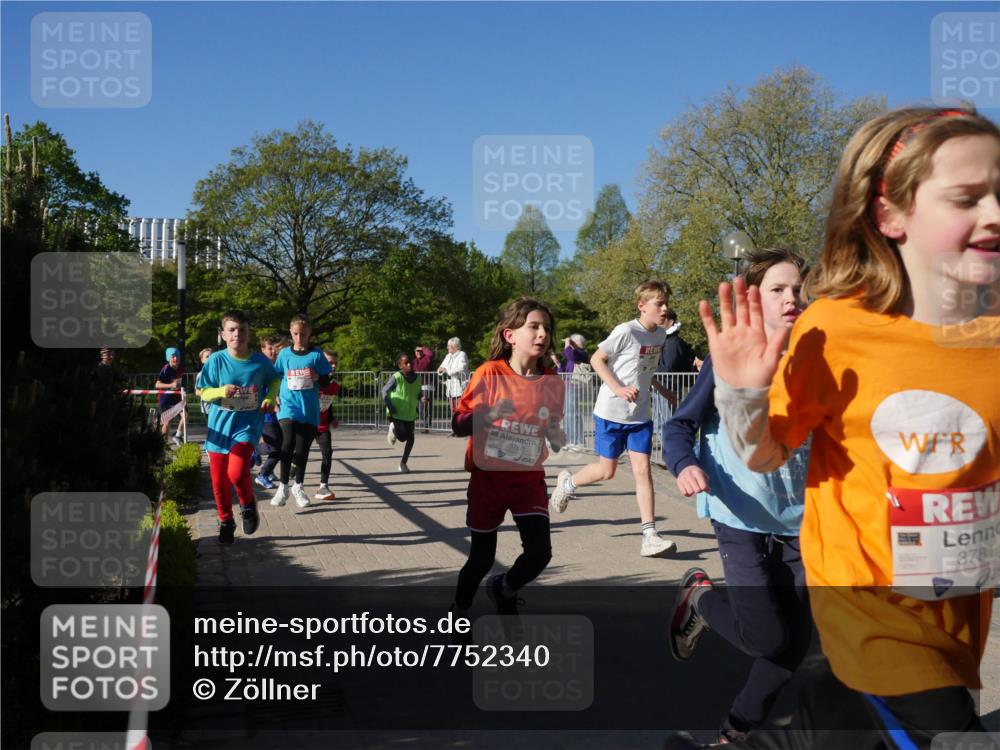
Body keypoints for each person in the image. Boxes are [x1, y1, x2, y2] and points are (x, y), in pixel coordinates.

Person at [682, 107, 999, 749]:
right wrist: (742, 391)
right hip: (868, 608)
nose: (994, 213)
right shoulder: (837, 328)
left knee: (830, 713)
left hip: (956, 610)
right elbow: (762, 451)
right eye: (967, 198)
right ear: (890, 217)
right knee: (934, 726)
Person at [662, 248, 813, 744]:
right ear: (753, 299)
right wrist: (684, 464)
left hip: (800, 521)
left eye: (797, 289)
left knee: (792, 648)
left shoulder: (819, 351)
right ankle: (701, 597)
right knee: (766, 638)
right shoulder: (731, 355)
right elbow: (680, 425)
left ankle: (735, 732)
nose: (791, 298)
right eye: (778, 290)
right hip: (738, 513)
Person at [451, 298, 565, 616]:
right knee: (481, 559)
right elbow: (457, 424)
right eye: (534, 326)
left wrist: (556, 436)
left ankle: (504, 588)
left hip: (528, 480)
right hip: (488, 480)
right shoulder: (489, 374)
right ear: (509, 335)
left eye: (547, 328)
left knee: (540, 554)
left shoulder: (553, 381)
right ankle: (459, 610)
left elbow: (553, 428)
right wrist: (485, 415)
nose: (543, 333)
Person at [548, 280, 679, 558]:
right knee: (607, 471)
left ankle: (650, 535)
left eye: (666, 302)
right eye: (659, 303)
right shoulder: (625, 331)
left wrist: (663, 390)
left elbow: (643, 370)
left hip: (639, 415)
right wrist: (618, 389)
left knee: (642, 471)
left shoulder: (659, 336)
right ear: (642, 306)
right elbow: (597, 359)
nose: (665, 308)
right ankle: (568, 483)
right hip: (610, 412)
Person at [196, 310, 280, 544]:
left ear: (248, 334)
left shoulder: (259, 362)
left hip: (246, 427)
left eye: (242, 330)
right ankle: (225, 520)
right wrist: (222, 391)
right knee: (218, 481)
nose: (237, 335)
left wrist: (270, 398)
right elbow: (203, 391)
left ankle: (247, 504)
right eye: (232, 330)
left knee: (235, 472)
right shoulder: (216, 361)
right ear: (223, 334)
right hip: (219, 429)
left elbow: (274, 380)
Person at [269, 314, 332, 509]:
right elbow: (276, 376)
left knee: (302, 450)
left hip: (309, 410)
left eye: (303, 335)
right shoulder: (285, 355)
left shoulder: (316, 355)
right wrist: (275, 395)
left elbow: (326, 380)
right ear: (291, 333)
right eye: (296, 334)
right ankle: (283, 487)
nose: (299, 338)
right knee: (287, 444)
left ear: (309, 334)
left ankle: (298, 486)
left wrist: (317, 377)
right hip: (288, 406)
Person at [383, 351, 421, 472]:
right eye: (406, 363)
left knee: (411, 438)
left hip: (410, 412)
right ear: (400, 365)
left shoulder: (418, 377)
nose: (409, 364)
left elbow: (417, 392)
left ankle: (403, 464)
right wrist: (389, 405)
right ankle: (393, 427)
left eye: (410, 362)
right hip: (397, 411)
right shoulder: (397, 377)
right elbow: (384, 391)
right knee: (403, 437)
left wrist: (422, 397)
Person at [254, 335, 283, 490]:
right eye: (269, 349)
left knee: (281, 445)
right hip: (266, 415)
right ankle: (262, 475)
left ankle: (268, 470)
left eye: (275, 349)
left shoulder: (277, 367)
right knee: (278, 448)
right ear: (262, 350)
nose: (273, 352)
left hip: (279, 415)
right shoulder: (260, 369)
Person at [314, 351, 341, 501]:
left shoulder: (334, 385)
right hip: (307, 424)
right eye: (330, 362)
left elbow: (328, 404)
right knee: (299, 455)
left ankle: (323, 485)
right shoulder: (311, 381)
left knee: (327, 453)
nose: (333, 365)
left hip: (323, 426)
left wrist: (332, 418)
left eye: (335, 363)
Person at [557, 334, 591, 450]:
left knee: (573, 413)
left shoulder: (582, 353)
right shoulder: (571, 355)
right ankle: (568, 440)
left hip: (575, 385)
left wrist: (567, 343)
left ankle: (577, 441)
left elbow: (570, 354)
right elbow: (561, 368)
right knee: (568, 414)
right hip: (567, 386)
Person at [437, 337, 470, 435]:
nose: (447, 348)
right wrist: (440, 370)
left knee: (461, 410)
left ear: (455, 346)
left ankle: (463, 429)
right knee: (453, 410)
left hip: (459, 386)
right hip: (450, 387)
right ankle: (455, 429)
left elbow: (462, 367)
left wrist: (448, 371)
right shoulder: (448, 356)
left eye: (449, 346)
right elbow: (441, 368)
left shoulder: (462, 354)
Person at [155, 347, 185, 446]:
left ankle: (177, 435)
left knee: (185, 416)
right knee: (166, 422)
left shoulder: (181, 368)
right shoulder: (166, 369)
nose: (175, 359)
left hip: (177, 399)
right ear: (168, 358)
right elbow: (157, 385)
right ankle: (163, 444)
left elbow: (180, 383)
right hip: (165, 399)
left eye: (177, 356)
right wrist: (171, 385)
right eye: (173, 357)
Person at [413, 344, 436, 433]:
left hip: (427, 386)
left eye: (419, 351)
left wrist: (422, 348)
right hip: (417, 387)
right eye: (416, 351)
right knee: (418, 408)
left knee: (425, 407)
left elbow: (430, 354)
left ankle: (427, 426)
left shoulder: (427, 358)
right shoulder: (414, 361)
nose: (418, 353)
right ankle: (422, 425)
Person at [194, 347, 214, 417]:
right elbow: (197, 392)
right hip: (208, 408)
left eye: (211, 356)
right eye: (207, 357)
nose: (210, 358)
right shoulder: (201, 375)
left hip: (220, 407)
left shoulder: (219, 372)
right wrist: (211, 394)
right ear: (202, 360)